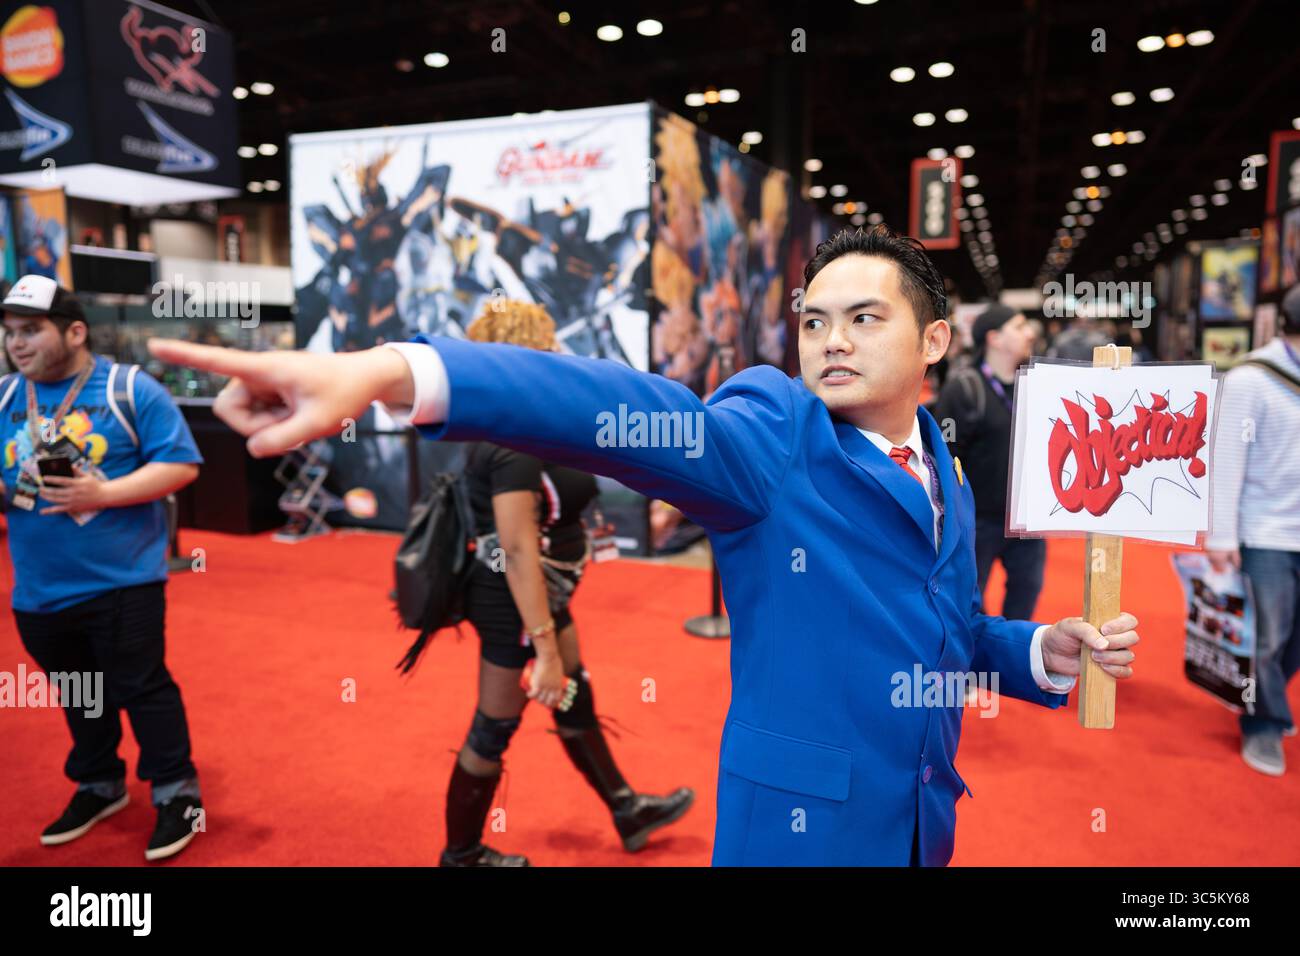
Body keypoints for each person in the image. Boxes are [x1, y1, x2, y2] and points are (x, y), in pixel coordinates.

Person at [149, 226, 1141, 867]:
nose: (830, 338)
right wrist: (392, 370)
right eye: (813, 320)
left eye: (864, 317)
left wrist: (1029, 650)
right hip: (803, 834)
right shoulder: (774, 433)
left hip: (923, 825)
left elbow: (945, 628)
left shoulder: (946, 464)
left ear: (932, 342)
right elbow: (624, 408)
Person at [433, 299, 693, 866]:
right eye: (545, 345)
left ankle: (624, 806)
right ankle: (461, 855)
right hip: (514, 600)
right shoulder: (511, 435)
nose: (556, 354)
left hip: (543, 595)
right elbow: (517, 548)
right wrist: (543, 648)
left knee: (576, 694)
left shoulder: (525, 420)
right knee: (495, 725)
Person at [0, 275, 204, 860]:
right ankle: (99, 783)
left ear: (75, 331)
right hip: (38, 589)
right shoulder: (8, 399)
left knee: (143, 687)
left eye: (31, 331)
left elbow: (182, 465)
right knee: (79, 693)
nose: (17, 344)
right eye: (11, 333)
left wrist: (103, 495)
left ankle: (177, 793)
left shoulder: (128, 389)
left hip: (123, 582)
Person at [1206, 283, 1300, 776]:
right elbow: (1226, 459)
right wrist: (1221, 536)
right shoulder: (1252, 380)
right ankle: (1263, 724)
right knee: (1266, 635)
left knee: (1290, 640)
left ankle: (1259, 696)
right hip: (1266, 533)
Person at [933, 304, 1045, 620]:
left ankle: (1016, 662)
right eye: (1020, 325)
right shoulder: (965, 389)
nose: (1030, 332)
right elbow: (946, 458)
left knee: (1025, 600)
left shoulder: (1036, 384)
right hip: (978, 521)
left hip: (1028, 521)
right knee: (968, 604)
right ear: (995, 338)